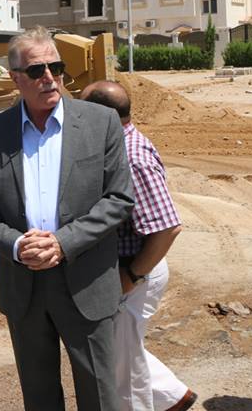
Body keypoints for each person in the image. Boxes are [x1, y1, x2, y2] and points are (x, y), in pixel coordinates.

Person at [0, 26, 135, 411]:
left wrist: (63, 242)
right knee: (39, 396)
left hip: (86, 282)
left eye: (55, 68)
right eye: (36, 70)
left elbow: (119, 198)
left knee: (101, 397)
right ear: (15, 78)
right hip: (24, 286)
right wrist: (16, 245)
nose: (49, 78)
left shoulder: (101, 123)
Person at [81, 81, 198, 411]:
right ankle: (173, 397)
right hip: (127, 272)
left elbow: (168, 228)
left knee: (124, 375)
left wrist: (131, 276)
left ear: (102, 116)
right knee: (122, 354)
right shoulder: (116, 145)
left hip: (136, 272)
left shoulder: (132, 158)